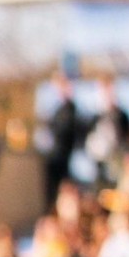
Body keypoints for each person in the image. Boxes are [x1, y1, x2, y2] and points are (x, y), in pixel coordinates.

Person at [36, 73, 80, 209]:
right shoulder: (56, 109)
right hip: (53, 157)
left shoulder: (70, 109)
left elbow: (65, 132)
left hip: (63, 158)